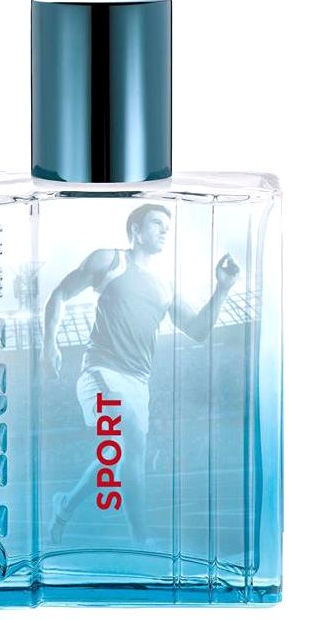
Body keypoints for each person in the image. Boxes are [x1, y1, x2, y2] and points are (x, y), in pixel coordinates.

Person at [42, 203, 240, 548]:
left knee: (120, 456)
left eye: (167, 226)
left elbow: (197, 330)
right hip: (100, 369)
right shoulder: (110, 261)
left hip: (138, 382)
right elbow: (60, 294)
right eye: (156, 223)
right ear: (135, 230)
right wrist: (49, 343)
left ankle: (66, 508)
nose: (164, 230)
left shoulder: (165, 285)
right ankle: (140, 539)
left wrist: (222, 289)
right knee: (125, 439)